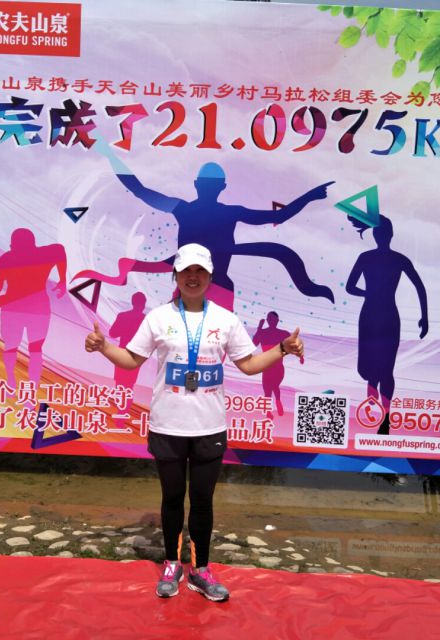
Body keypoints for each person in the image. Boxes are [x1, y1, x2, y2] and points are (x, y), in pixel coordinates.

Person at [84, 243, 303, 601]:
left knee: (202, 500)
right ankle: (172, 563)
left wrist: (281, 349)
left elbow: (249, 365)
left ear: (210, 277)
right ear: (175, 275)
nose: (193, 277)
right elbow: (131, 360)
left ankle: (200, 570)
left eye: (200, 271)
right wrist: (103, 346)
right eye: (186, 270)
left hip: (208, 428)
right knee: (172, 498)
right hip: (167, 426)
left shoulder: (226, 320)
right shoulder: (158, 318)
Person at [89, 139, 335, 309]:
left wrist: (110, 155)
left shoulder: (182, 208)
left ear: (197, 184)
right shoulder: (229, 212)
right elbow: (278, 217)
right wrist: (309, 197)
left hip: (193, 288)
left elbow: (139, 189)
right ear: (222, 187)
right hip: (210, 288)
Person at [345, 215, 428, 435]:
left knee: (381, 370)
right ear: (388, 235)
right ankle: (377, 418)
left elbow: (350, 287)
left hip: (377, 315)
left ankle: (383, 418)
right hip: (380, 316)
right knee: (377, 370)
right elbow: (350, 287)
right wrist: (424, 317)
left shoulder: (377, 258)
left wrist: (368, 294)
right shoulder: (391, 259)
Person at [0, 228, 67, 388]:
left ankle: (13, 381)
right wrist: (62, 280)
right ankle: (27, 385)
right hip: (36, 309)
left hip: (17, 310)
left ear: (11, 246)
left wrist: (13, 297)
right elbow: (59, 250)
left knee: (13, 347)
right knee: (33, 348)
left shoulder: (5, 261)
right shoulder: (41, 255)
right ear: (34, 244)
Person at [253, 311, 303, 419]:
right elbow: (254, 343)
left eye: (273, 320)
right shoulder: (265, 332)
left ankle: (277, 402)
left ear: (277, 321)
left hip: (276, 365)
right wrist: (259, 328)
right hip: (268, 366)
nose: (272, 321)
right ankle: (270, 410)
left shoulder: (282, 333)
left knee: (272, 387)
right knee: (268, 389)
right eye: (270, 319)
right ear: (268, 320)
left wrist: (300, 356)